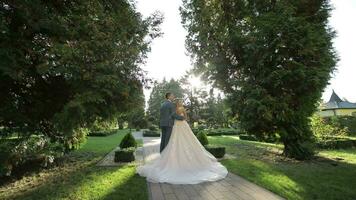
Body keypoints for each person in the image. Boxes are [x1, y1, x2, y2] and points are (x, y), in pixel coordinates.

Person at [136, 98, 228, 184]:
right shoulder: (181, 109)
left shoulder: (174, 108)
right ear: (179, 103)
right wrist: (183, 117)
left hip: (176, 125)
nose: (180, 103)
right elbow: (185, 118)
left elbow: (174, 116)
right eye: (180, 102)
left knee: (176, 141)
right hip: (182, 125)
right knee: (185, 140)